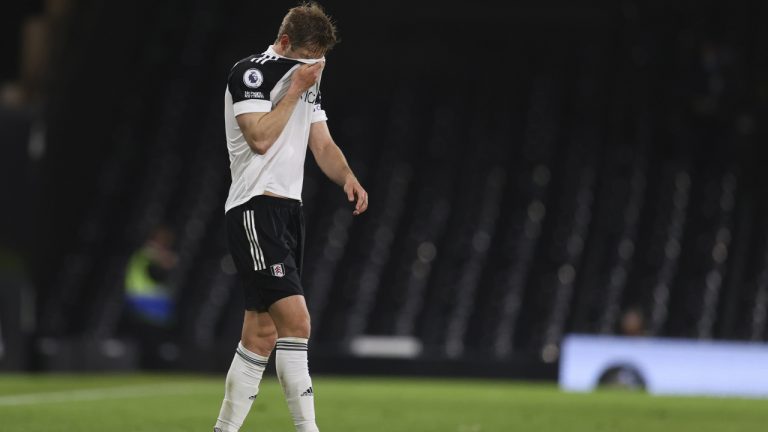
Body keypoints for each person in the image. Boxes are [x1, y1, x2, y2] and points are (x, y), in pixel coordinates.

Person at [213, 3, 368, 432]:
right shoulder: (251, 73)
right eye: (308, 59)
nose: (314, 69)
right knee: (297, 322)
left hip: (287, 212)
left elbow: (321, 144)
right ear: (283, 43)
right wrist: (297, 87)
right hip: (254, 207)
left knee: (261, 335)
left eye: (319, 61)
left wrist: (348, 177)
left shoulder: (308, 80)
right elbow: (260, 137)